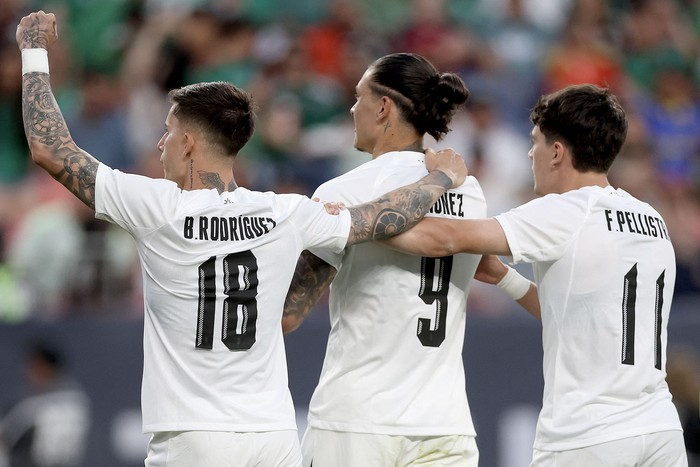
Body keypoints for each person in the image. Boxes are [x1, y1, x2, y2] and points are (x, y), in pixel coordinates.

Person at [16, 11, 468, 467]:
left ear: (189, 142)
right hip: (273, 434)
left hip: (193, 434)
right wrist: (440, 180)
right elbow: (376, 220)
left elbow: (50, 149)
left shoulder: (155, 207)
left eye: (168, 131)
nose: (160, 144)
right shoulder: (286, 213)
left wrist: (32, 49)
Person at [384, 83, 688, 466]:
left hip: (588, 435)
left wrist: (353, 223)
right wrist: (506, 278)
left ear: (557, 152)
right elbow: (580, 314)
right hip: (660, 428)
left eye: (535, 142)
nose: (530, 153)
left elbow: (442, 238)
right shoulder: (651, 218)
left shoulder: (566, 211)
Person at [282, 53, 486, 466]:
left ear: (384, 106)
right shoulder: (472, 192)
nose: (352, 108)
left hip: (357, 421)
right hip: (444, 423)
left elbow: (289, 312)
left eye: (359, 97)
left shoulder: (344, 189)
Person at [0, 340, 91, 467]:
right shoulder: (78, 399)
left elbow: (3, 440)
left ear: (47, 367)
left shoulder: (31, 405)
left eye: (35, 365)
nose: (29, 371)